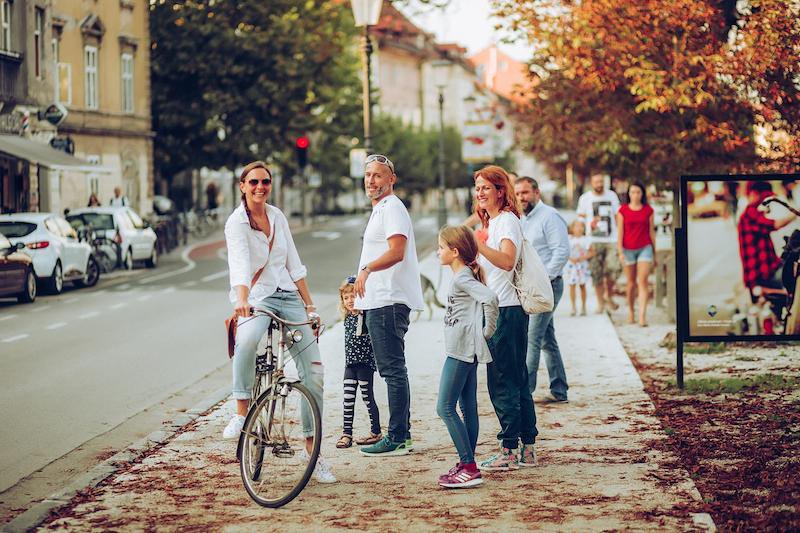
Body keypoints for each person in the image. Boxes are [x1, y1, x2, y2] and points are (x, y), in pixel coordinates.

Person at [223, 160, 336, 483]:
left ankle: (312, 452)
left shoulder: (277, 216)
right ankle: (241, 414)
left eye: (266, 182)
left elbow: (294, 263)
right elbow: (240, 264)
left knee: (313, 373)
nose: (260, 187)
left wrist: (310, 304)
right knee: (246, 340)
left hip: (288, 295)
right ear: (242, 186)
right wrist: (242, 298)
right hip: (256, 297)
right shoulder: (236, 224)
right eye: (254, 182)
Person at [353, 154, 424, 457]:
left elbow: (397, 251)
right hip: (379, 301)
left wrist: (367, 270)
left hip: (388, 301)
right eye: (368, 175)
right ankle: (400, 434)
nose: (371, 181)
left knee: (392, 370)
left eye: (378, 175)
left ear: (391, 179)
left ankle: (397, 437)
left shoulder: (393, 208)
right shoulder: (381, 209)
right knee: (391, 370)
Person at [472, 165, 538, 471]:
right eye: (477, 188)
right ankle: (527, 448)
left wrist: (479, 246)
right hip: (504, 308)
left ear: (501, 191)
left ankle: (509, 449)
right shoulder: (496, 221)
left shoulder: (507, 222)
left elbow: (508, 261)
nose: (480, 192)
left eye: (486, 187)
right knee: (517, 379)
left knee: (502, 381)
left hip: (506, 310)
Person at [436, 225, 499, 489]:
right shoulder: (461, 275)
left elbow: (491, 299)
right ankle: (467, 463)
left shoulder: (462, 277)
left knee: (444, 407)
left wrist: (487, 331)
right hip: (464, 349)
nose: (437, 252)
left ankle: (469, 467)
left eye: (440, 248)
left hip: (461, 352)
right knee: (467, 407)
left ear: (454, 251)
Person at [515, 177, 570, 403]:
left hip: (548, 285)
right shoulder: (521, 219)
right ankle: (559, 390)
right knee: (547, 338)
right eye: (518, 193)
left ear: (537, 193)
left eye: (525, 193)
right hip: (530, 287)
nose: (521, 198)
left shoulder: (550, 216)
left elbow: (562, 251)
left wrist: (543, 281)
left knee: (532, 337)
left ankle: (525, 394)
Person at [336, 276, 382, 449]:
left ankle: (376, 431)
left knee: (367, 397)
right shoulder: (347, 318)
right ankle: (346, 434)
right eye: (346, 298)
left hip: (364, 364)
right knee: (347, 399)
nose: (350, 301)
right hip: (350, 364)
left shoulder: (366, 315)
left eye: (353, 296)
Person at [738, 181, 797, 293]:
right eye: (765, 198)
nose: (765, 203)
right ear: (755, 194)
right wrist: (795, 213)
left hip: (768, 270)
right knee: (795, 280)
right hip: (763, 275)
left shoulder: (753, 212)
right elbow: (775, 224)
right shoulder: (750, 212)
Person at [576, 172, 621, 313]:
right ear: (591, 183)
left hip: (611, 239)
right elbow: (580, 219)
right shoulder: (585, 198)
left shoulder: (612, 196)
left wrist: (621, 235)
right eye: (596, 182)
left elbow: (617, 216)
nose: (599, 184)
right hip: (593, 240)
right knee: (596, 273)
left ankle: (609, 294)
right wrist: (580, 237)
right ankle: (601, 303)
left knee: (613, 268)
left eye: (601, 181)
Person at [616, 182, 656, 327]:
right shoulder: (622, 211)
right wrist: (620, 252)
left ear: (642, 194)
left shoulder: (648, 210)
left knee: (643, 281)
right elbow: (620, 233)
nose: (635, 195)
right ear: (629, 194)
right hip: (627, 249)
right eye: (632, 192)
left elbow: (652, 232)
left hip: (645, 247)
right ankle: (631, 312)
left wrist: (655, 252)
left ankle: (642, 316)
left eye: (638, 192)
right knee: (631, 283)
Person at [565, 219, 592, 316]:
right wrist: (570, 258)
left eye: (581, 226)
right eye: (576, 226)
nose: (579, 228)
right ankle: (573, 307)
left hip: (582, 266)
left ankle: (583, 306)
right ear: (572, 228)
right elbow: (565, 251)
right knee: (572, 286)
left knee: (582, 285)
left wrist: (583, 257)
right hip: (572, 266)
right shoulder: (569, 239)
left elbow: (591, 252)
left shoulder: (586, 239)